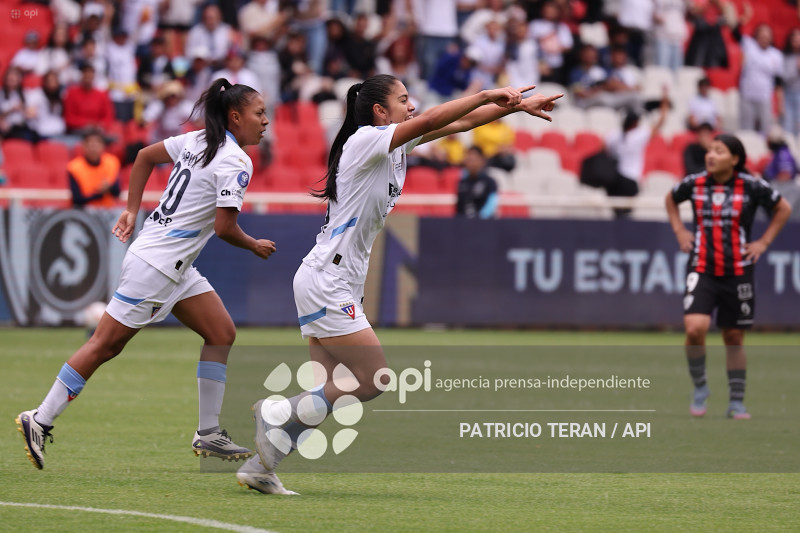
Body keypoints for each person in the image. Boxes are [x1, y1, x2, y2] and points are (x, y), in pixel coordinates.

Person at [240, 74, 562, 494]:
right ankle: (275, 412)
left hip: (332, 280)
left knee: (329, 390)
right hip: (328, 280)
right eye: (403, 99)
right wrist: (486, 93)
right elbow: (433, 119)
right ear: (379, 110)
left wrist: (514, 107)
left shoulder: (392, 145)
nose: (411, 106)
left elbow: (461, 123)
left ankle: (261, 467)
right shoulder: (365, 140)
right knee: (374, 379)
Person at [15, 78, 276, 471]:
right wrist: (254, 243)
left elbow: (142, 156)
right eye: (259, 114)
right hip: (157, 267)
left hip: (170, 263)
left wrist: (131, 210)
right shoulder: (236, 161)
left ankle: (207, 431)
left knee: (221, 332)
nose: (266, 121)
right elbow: (224, 228)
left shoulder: (193, 141)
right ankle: (40, 418)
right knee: (105, 345)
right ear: (236, 117)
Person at [665, 134, 791, 420]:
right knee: (695, 328)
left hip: (738, 271)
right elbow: (670, 200)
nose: (710, 155)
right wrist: (680, 231)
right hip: (702, 268)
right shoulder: (695, 183)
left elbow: (783, 208)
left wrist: (763, 243)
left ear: (734, 159)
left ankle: (736, 401)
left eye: (719, 151)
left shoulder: (751, 186)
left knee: (734, 336)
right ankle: (700, 387)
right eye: (709, 150)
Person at [604, 94, 669, 217]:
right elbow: (661, 122)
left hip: (613, 180)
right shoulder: (639, 135)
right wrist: (664, 103)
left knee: (616, 214)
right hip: (630, 180)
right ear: (634, 123)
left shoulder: (613, 135)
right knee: (627, 215)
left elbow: (603, 149)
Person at [67, 128, 121, 208]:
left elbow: (117, 192)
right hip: (84, 212)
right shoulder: (74, 167)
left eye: (96, 144)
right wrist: (100, 193)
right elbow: (77, 199)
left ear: (103, 146)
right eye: (89, 144)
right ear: (83, 146)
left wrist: (109, 188)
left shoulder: (112, 162)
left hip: (107, 211)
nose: (93, 148)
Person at [456, 145, 499, 218]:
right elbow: (459, 207)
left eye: (474, 160)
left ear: (482, 161)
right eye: (469, 160)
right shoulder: (462, 182)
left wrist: (478, 219)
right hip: (463, 225)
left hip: (483, 224)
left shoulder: (490, 182)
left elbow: (491, 206)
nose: (471, 164)